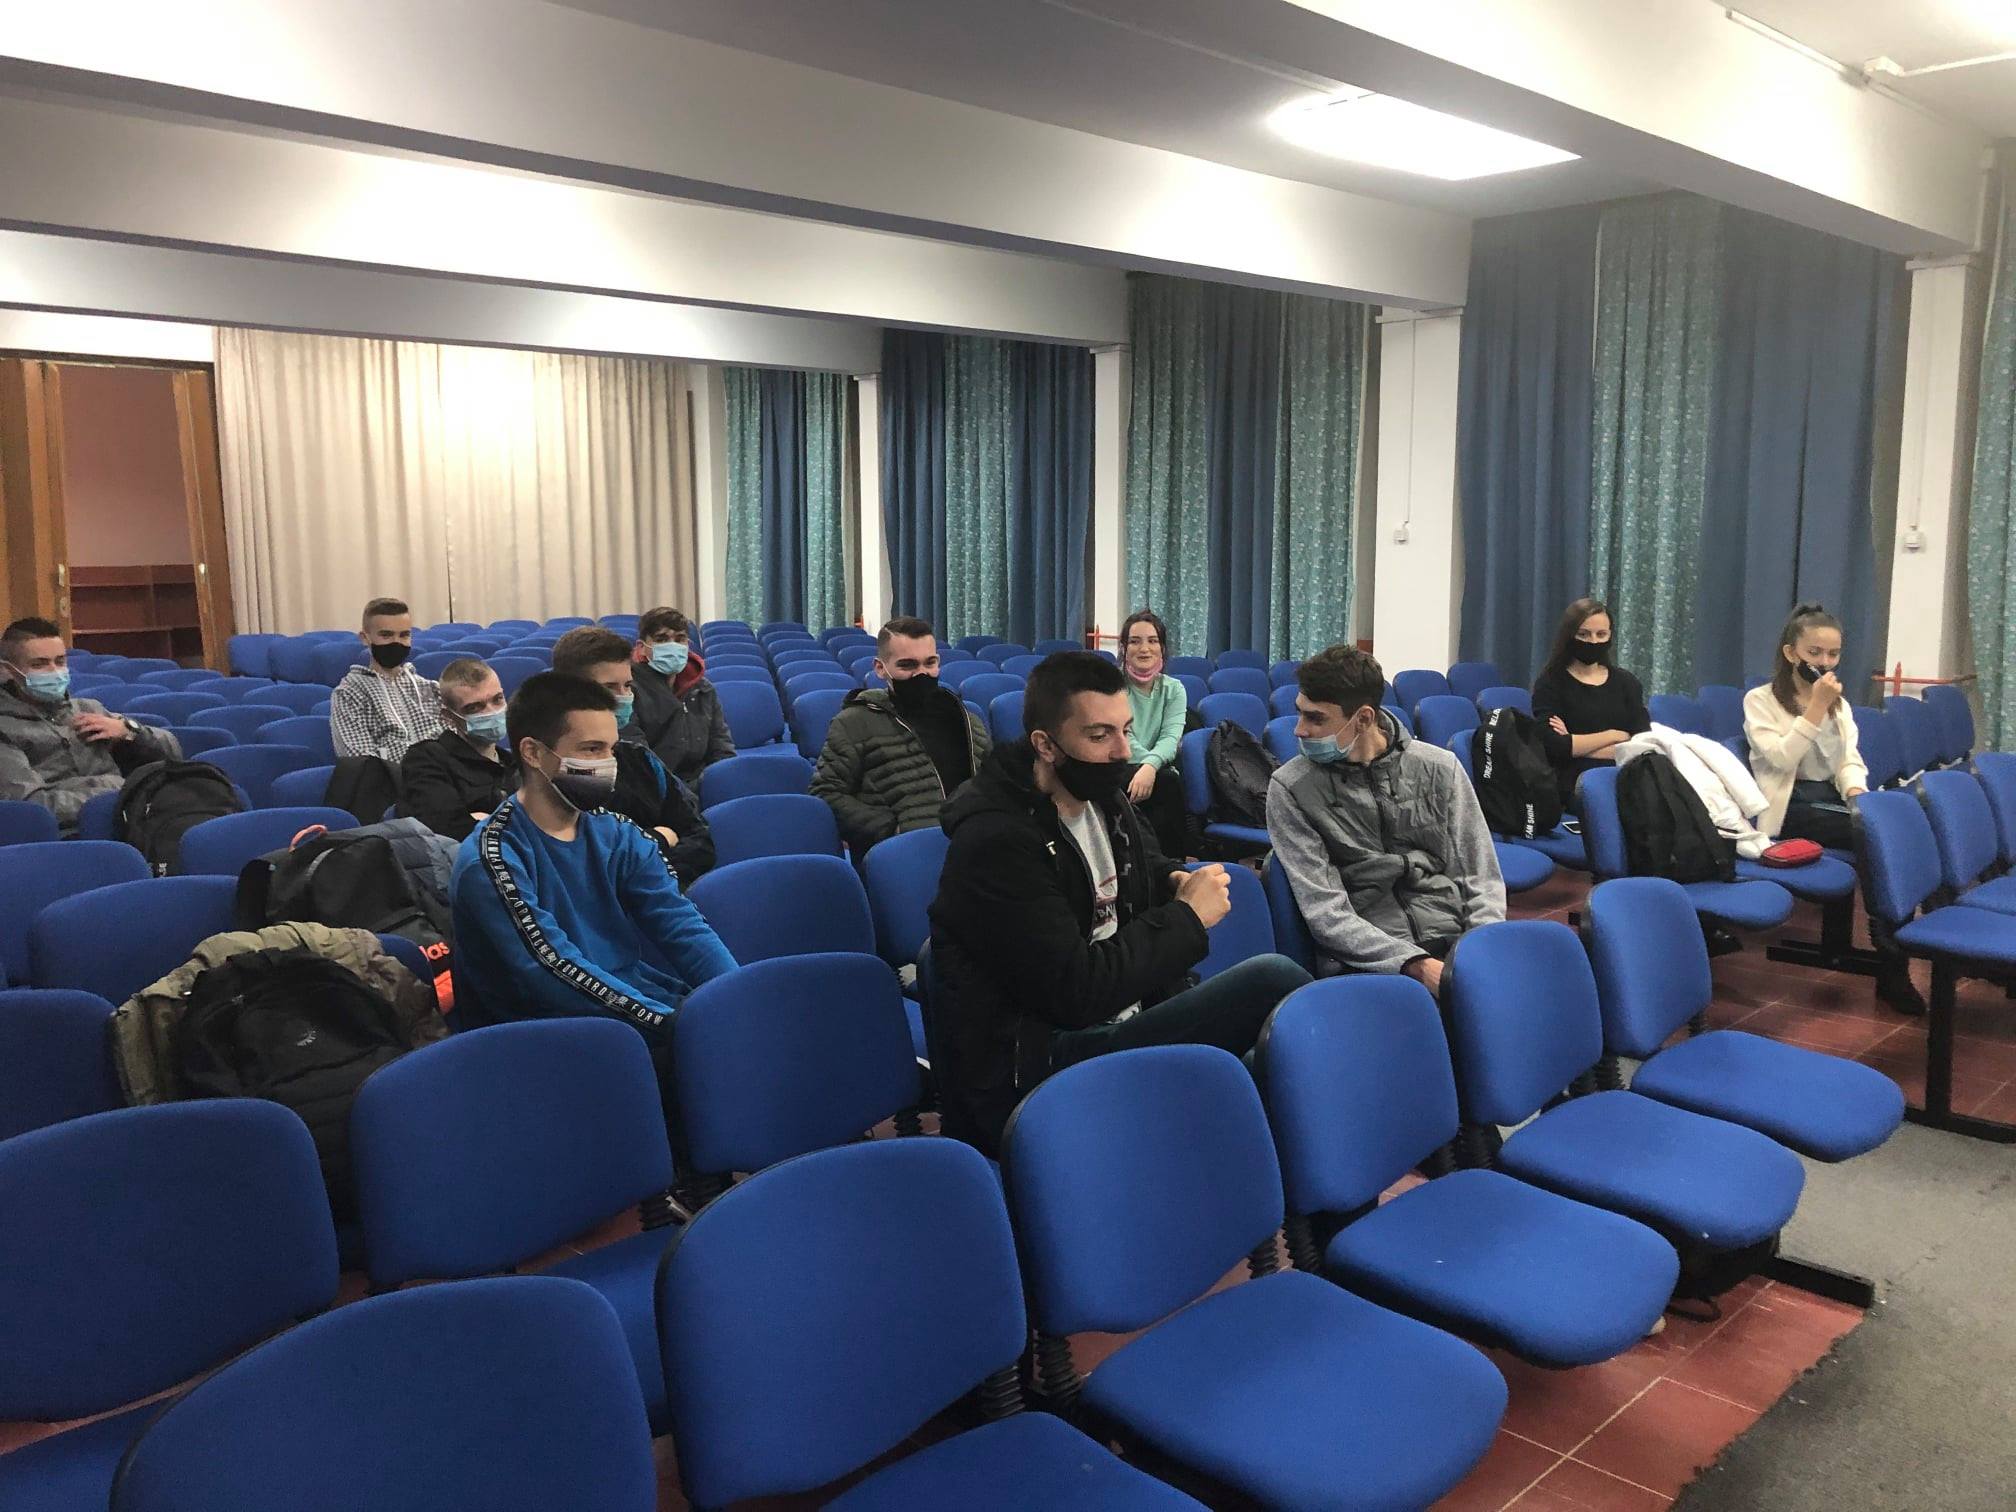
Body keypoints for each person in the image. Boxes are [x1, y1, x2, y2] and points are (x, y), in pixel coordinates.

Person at [929, 650, 1311, 1155]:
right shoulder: (996, 842)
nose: (1122, 751)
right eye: (1099, 735)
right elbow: (1075, 992)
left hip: (1126, 1007)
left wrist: (1171, 877)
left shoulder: (1101, 796)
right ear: (1045, 744)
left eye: (1126, 730)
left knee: (1272, 1062)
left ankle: (1304, 1177)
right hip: (1046, 1054)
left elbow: (1139, 863)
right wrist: (1187, 918)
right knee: (1273, 981)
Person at [450, 673, 737, 1089]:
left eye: (611, 749)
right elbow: (551, 970)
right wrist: (675, 1025)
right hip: (545, 1041)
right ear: (533, 752)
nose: (608, 763)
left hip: (632, 1011)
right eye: (591, 749)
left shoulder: (614, 832)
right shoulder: (492, 858)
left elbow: (679, 922)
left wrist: (734, 997)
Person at [1268, 645, 1505, 995]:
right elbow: (1326, 913)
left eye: (1316, 719)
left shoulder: (1439, 768)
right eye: (1300, 713)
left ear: (1364, 719)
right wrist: (1414, 964)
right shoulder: (1291, 787)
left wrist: (1478, 952)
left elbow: (1480, 876)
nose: (1299, 730)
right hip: (1369, 958)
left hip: (1455, 938)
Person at [812, 615, 992, 856]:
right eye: (908, 666)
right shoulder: (854, 723)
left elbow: (994, 780)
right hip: (904, 856)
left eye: (930, 663)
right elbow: (826, 792)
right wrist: (890, 829)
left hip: (974, 850)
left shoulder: (965, 719)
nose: (922, 674)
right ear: (880, 668)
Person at [550, 626, 715, 887]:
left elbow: (700, 842)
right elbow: (579, 868)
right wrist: (658, 840)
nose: (623, 697)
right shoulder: (550, 770)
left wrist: (646, 869)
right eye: (609, 688)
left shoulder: (640, 760)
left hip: (664, 897)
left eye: (627, 686)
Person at [0, 616, 181, 833]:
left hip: (131, 824)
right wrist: (120, 790)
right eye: (39, 664)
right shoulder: (5, 727)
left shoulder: (88, 708)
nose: (54, 671)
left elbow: (174, 755)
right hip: (68, 835)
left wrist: (130, 731)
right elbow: (32, 806)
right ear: (9, 670)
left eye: (60, 661)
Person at [1743, 602, 1867, 849]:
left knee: (1880, 821)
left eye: (1833, 654)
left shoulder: (1840, 705)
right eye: (1814, 653)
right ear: (1791, 653)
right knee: (1869, 831)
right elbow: (1782, 759)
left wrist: (1857, 795)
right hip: (1789, 805)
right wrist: (1817, 707)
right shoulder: (1760, 700)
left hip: (1830, 797)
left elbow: (1848, 760)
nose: (1824, 662)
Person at [1531, 597, 1650, 807]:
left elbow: (1640, 744)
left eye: (1601, 634)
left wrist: (1576, 744)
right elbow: (1554, 747)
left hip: (1627, 776)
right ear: (1569, 636)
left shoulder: (1627, 683)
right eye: (1584, 634)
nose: (1593, 642)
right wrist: (1615, 735)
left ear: (1610, 635)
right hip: (1575, 782)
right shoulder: (1551, 683)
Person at [398, 658, 512, 842]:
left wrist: (485, 820)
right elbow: (447, 831)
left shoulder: (515, 762)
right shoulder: (426, 759)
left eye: (497, 699)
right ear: (449, 717)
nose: (491, 712)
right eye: (474, 707)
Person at [329, 597, 446, 761]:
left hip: (443, 773)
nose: (396, 642)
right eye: (386, 635)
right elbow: (359, 758)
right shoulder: (349, 694)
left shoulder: (429, 688)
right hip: (392, 775)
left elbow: (454, 740)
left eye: (404, 635)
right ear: (365, 638)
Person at [628, 606, 734, 787]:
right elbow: (637, 756)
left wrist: (720, 781)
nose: (673, 645)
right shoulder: (629, 689)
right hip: (656, 787)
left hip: (702, 781)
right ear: (642, 647)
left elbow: (721, 746)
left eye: (680, 639)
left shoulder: (703, 689)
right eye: (662, 639)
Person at [1118, 608, 1190, 858]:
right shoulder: (1113, 686)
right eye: (1135, 641)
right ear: (1124, 648)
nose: (1144, 649)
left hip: (1156, 768)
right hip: (1120, 763)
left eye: (1152, 641)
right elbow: (1121, 737)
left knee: (1169, 782)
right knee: (1166, 782)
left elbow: (1171, 738)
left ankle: (1173, 865)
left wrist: (1149, 767)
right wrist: (1147, 767)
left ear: (1162, 648)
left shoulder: (1174, 689)